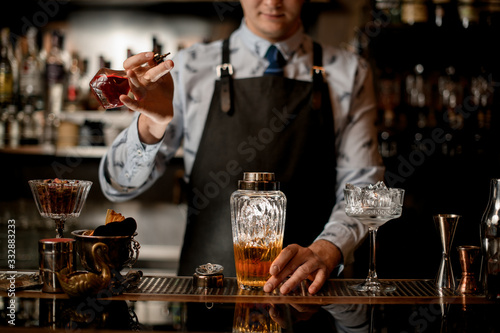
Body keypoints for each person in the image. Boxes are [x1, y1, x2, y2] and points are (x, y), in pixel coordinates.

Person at [99, 0, 384, 295]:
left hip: (310, 293)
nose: (273, 2)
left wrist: (327, 250)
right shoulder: (188, 67)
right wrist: (151, 124)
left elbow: (364, 188)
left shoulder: (350, 71)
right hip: (207, 291)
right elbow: (118, 187)